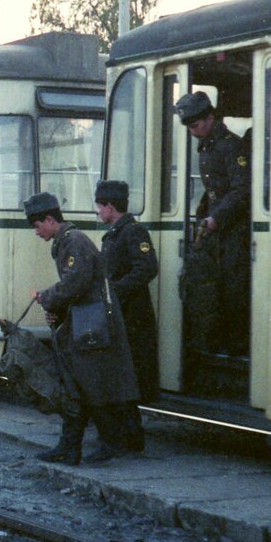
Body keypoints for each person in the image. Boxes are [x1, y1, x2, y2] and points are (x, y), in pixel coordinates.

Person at [26, 191, 140, 465]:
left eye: (37, 226)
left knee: (87, 386)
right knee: (81, 385)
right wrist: (56, 308)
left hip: (94, 325)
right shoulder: (67, 241)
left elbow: (76, 283)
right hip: (90, 323)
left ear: (50, 220)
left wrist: (48, 297)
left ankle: (104, 444)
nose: (37, 232)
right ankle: (72, 447)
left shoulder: (73, 241)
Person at [176, 91, 251, 357]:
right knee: (212, 287)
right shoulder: (207, 146)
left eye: (195, 126)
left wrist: (216, 218)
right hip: (217, 228)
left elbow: (241, 190)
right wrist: (203, 216)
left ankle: (236, 345)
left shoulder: (231, 146)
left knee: (233, 288)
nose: (193, 132)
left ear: (210, 118)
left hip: (235, 230)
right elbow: (213, 192)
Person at [95, 180, 156, 453]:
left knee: (124, 378)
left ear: (110, 206)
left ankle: (129, 437)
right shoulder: (115, 233)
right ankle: (128, 435)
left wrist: (115, 292)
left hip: (132, 317)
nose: (97, 212)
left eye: (99, 206)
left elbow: (146, 268)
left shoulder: (132, 232)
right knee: (120, 377)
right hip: (120, 315)